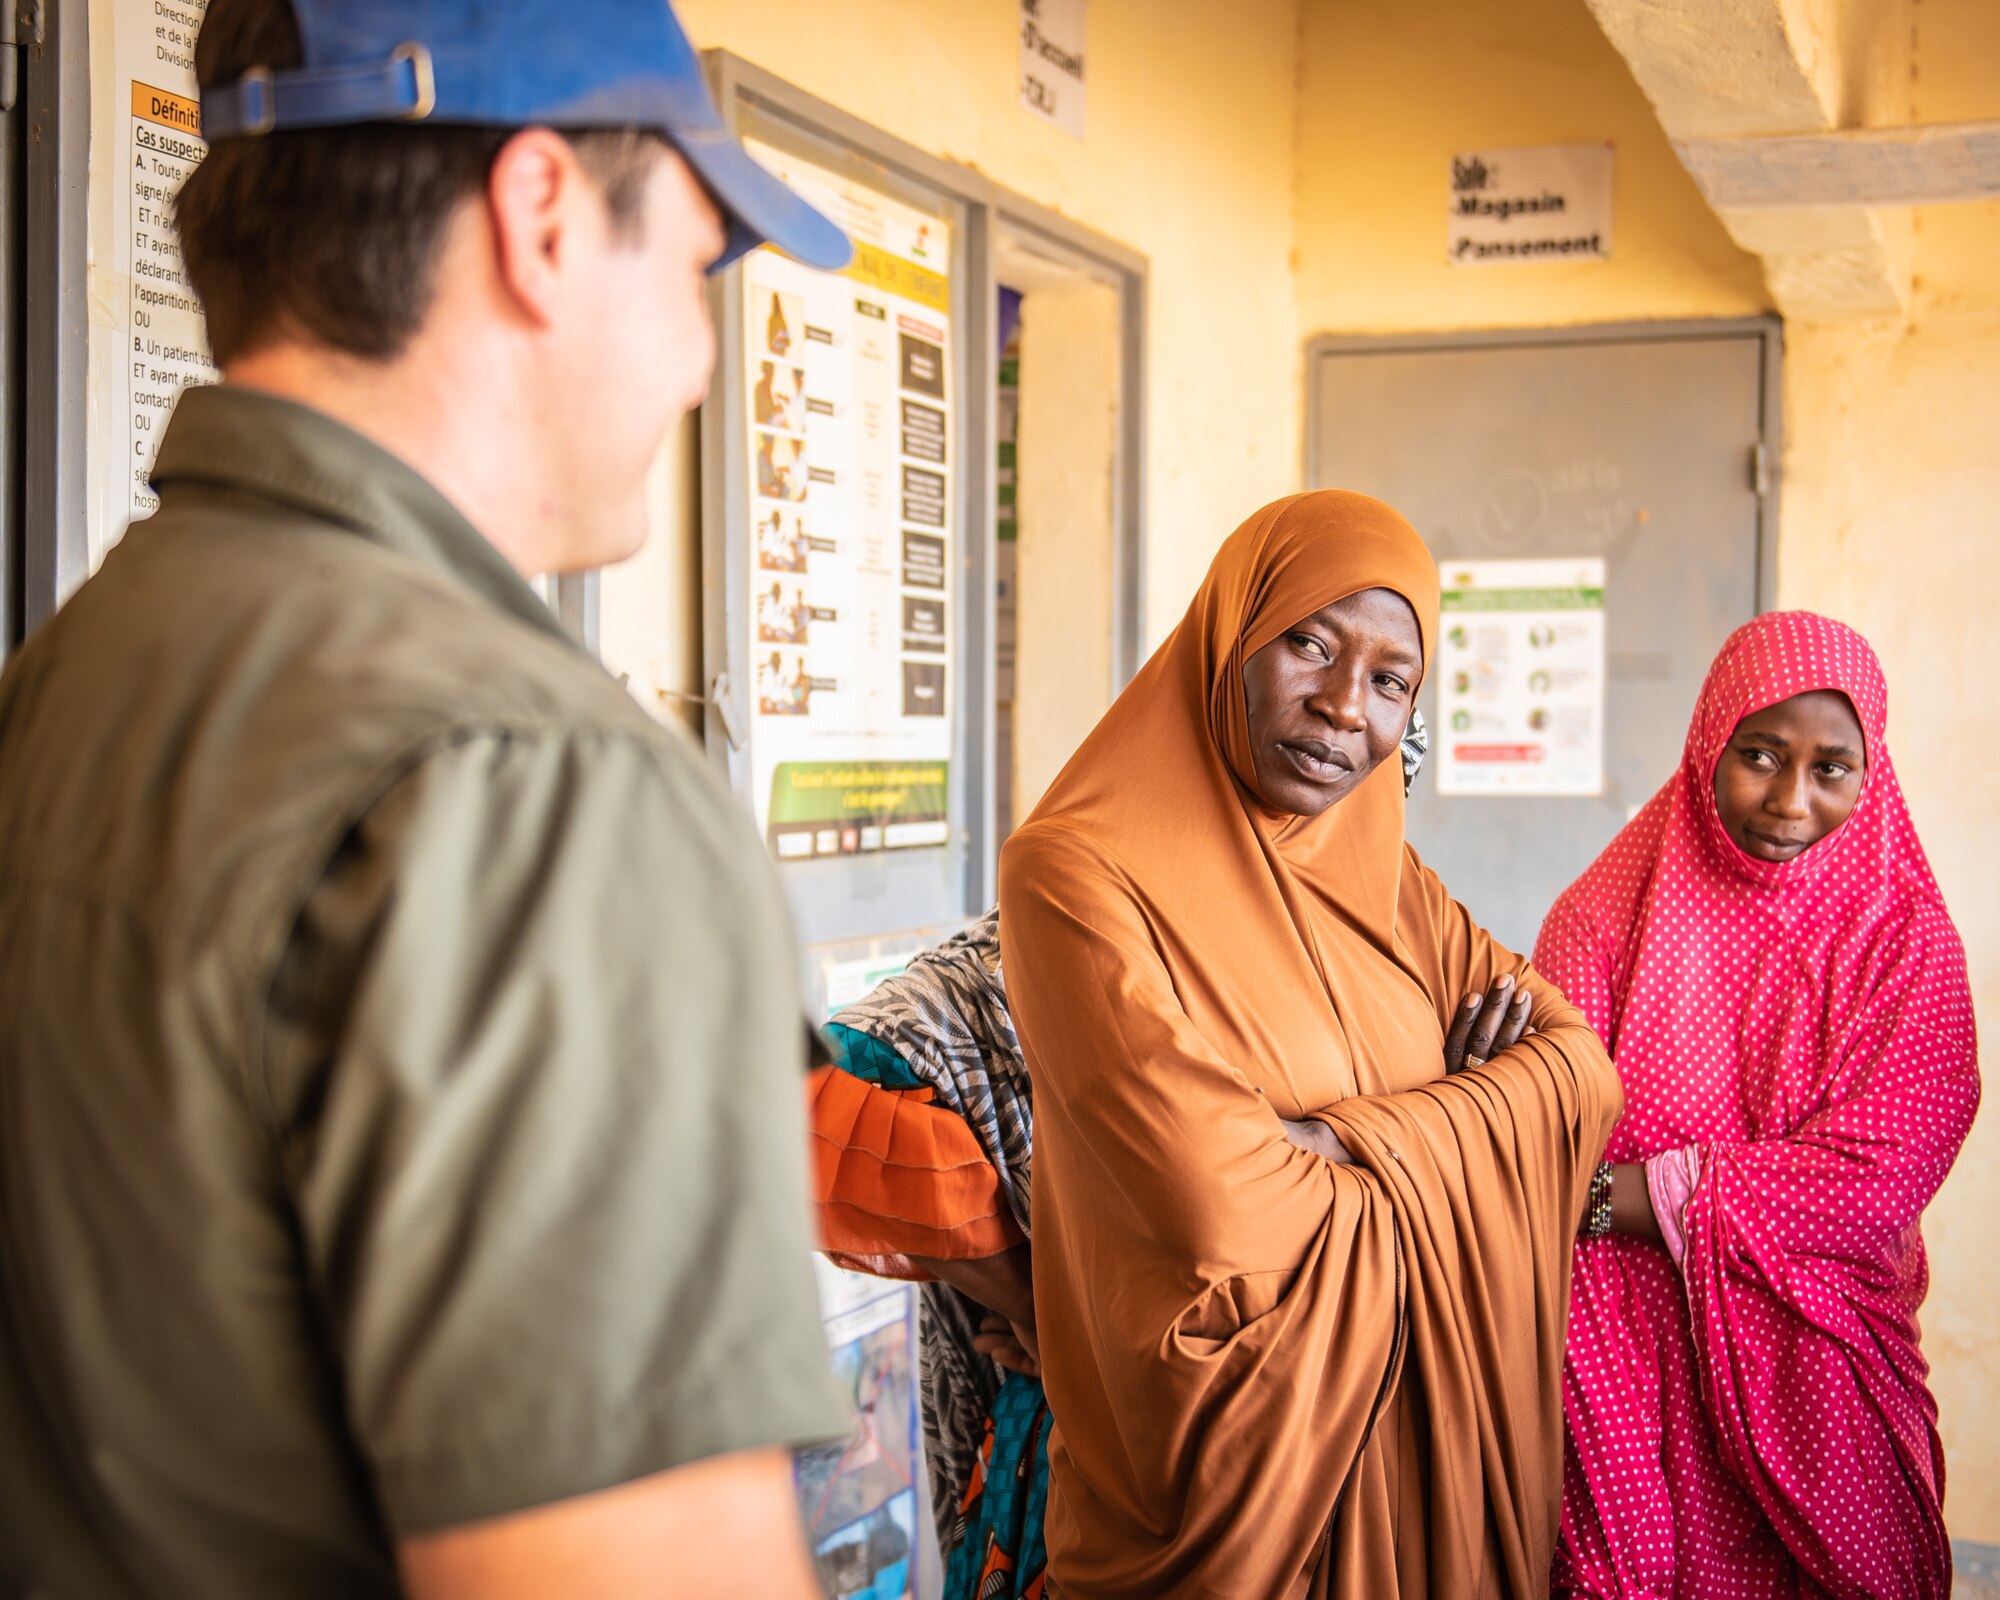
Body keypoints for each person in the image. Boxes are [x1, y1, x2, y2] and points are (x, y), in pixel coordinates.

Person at [0, 3, 858, 1598]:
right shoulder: (540, 789)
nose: (697, 357)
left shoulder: (65, 683)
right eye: (693, 266)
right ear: (540, 218)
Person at [995, 491, 1624, 1597]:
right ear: (1230, 634)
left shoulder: (1383, 871)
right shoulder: (1074, 876)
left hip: (1417, 1450)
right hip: (1217, 1473)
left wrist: (1336, 1143)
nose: (1343, 708)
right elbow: (1218, 1202)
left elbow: (1577, 1072)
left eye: (1390, 681)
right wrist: (1471, 1123)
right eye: (1309, 644)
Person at [807, 717, 1435, 1599]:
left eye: (1366, 808)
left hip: (1317, 1449)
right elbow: (820, 1112)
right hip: (1097, 1469)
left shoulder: (1397, 959)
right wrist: (1040, 1299)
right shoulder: (1100, 920)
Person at [1536, 612, 1979, 1599]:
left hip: (1818, 1361)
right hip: (1622, 1368)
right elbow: (1542, 1134)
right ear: (1707, 745)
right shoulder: (1603, 916)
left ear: (1872, 776)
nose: (1787, 800)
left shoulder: (1903, 943)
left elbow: (1873, 1180)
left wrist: (1618, 1195)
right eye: (1759, 756)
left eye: (1830, 768)